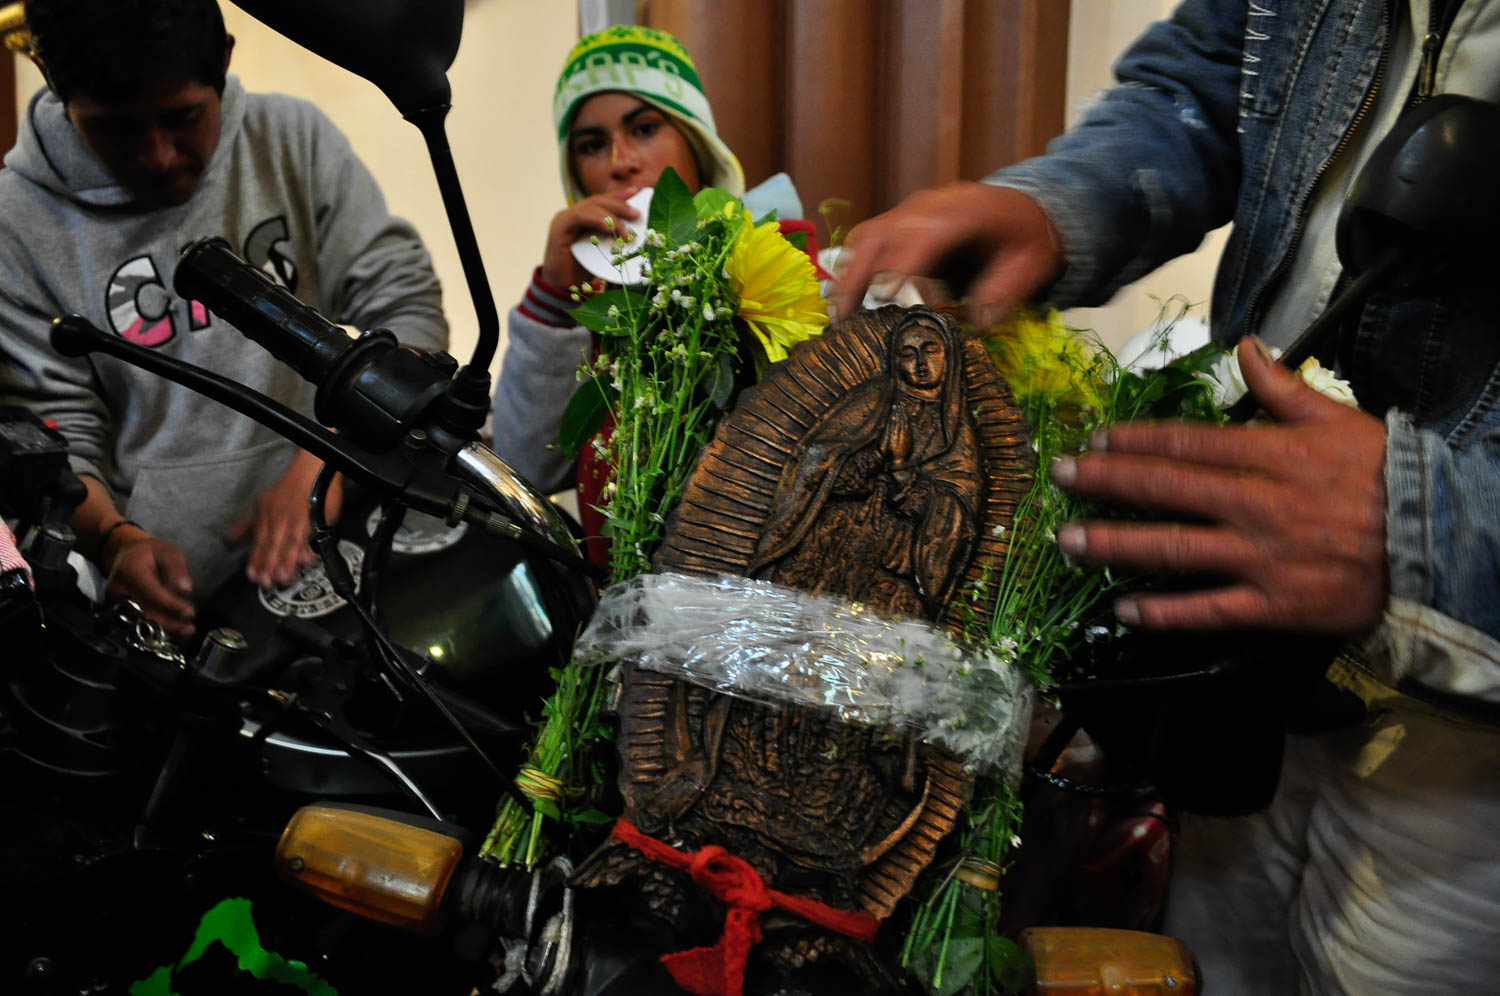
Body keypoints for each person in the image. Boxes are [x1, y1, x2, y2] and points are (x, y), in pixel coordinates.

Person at [837, 1, 1500, 993]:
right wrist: (1056, 202)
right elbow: (1212, 73)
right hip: (1242, 653)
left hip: (1468, 736)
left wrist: (1434, 533)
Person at [0, 0, 448, 637]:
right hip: (174, 615)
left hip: (345, 556)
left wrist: (325, 463)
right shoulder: (16, 221)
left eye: (183, 119)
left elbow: (404, 304)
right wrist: (115, 541)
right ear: (63, 98)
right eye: (117, 131)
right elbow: (52, 430)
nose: (157, 155)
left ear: (225, 63)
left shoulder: (293, 139)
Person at [492, 26, 806, 563]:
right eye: (592, 145)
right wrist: (554, 295)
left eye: (644, 128)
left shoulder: (785, 259)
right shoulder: (580, 300)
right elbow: (526, 467)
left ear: (696, 140)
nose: (620, 161)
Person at [750, 308, 980, 621]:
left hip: (890, 567)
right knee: (790, 625)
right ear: (896, 362)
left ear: (948, 355)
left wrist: (903, 470)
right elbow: (816, 463)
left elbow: (959, 514)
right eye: (908, 354)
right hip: (833, 545)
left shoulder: (956, 435)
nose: (922, 365)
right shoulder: (873, 400)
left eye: (931, 351)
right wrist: (874, 458)